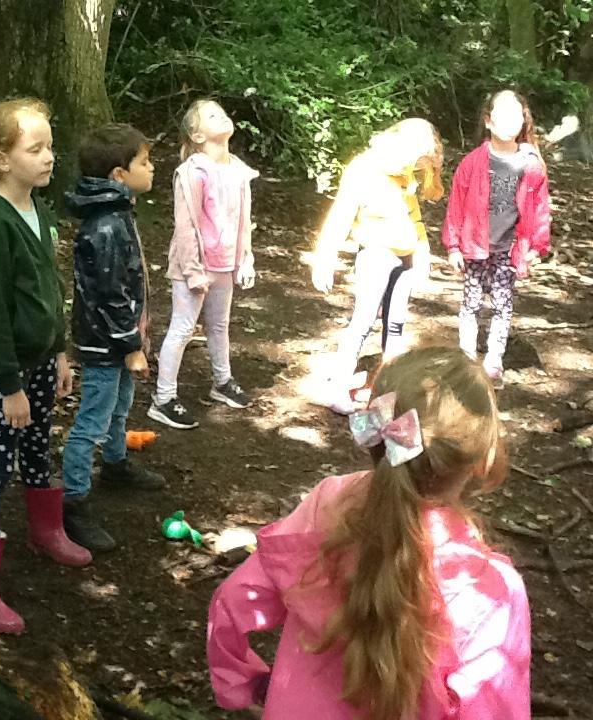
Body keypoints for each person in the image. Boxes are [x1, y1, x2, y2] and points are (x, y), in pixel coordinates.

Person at [207, 346, 530, 720]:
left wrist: (242, 683)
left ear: (376, 436)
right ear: (482, 459)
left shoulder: (325, 504)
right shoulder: (491, 589)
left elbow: (234, 599)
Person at [0, 97, 90, 635]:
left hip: (40, 360)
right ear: (1, 159)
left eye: (50, 147)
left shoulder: (38, 208)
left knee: (39, 445)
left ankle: (46, 532)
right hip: (6, 371)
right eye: (35, 149)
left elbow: (49, 289)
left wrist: (59, 351)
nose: (49, 157)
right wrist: (9, 386)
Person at [61, 123, 166, 553]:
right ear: (119, 175)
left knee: (120, 406)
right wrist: (130, 346)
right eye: (144, 162)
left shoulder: (119, 212)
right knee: (93, 420)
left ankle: (116, 465)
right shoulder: (105, 225)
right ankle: (72, 500)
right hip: (105, 343)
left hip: (118, 339)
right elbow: (110, 294)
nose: (152, 168)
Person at [310, 118, 444, 414]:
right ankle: (337, 387)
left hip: (404, 260)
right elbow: (340, 216)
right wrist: (325, 257)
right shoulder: (364, 168)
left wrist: (422, 250)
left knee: (395, 325)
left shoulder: (405, 173)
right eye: (415, 162)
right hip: (376, 256)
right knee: (363, 321)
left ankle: (389, 389)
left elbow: (414, 216)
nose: (415, 169)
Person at [147, 99, 259, 430]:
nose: (221, 116)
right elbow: (185, 226)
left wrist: (246, 258)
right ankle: (163, 398)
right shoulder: (192, 172)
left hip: (225, 263)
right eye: (211, 115)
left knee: (219, 325)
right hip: (192, 266)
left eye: (221, 112)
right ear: (197, 135)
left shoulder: (238, 169)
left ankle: (222, 382)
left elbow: (243, 220)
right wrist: (193, 271)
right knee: (182, 328)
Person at [443, 89, 552, 384]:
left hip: (508, 250)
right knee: (471, 304)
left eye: (515, 115)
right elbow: (456, 205)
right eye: (501, 115)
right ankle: (466, 361)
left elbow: (540, 207)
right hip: (474, 247)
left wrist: (537, 245)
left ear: (523, 121)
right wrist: (453, 246)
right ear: (488, 121)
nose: (508, 121)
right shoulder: (472, 162)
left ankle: (493, 363)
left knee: (503, 305)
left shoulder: (531, 164)